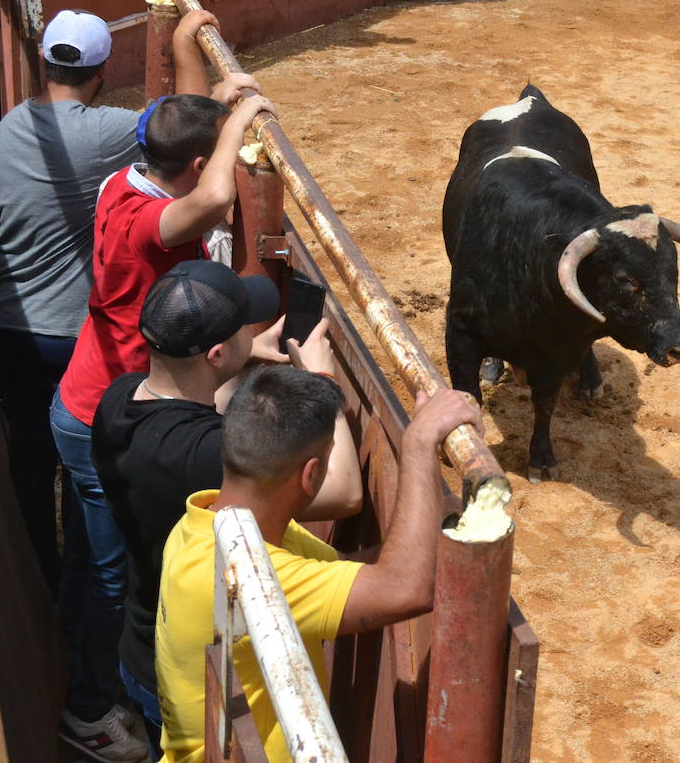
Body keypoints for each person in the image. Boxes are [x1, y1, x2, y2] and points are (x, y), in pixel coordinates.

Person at [51, 44, 269, 759]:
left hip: (81, 395)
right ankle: (88, 710)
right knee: (115, 578)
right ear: (197, 167)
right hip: (96, 413)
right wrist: (240, 117)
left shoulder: (128, 181)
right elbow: (210, 199)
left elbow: (176, 137)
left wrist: (210, 93)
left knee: (90, 560)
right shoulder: (158, 222)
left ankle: (80, 663)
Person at [0, 7, 243, 596]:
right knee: (91, 483)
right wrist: (193, 59)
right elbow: (180, 136)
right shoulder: (103, 135)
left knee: (30, 460)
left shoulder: (4, 130)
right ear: (101, 71)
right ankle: (86, 607)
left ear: (43, 60)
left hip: (10, 322)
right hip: (76, 335)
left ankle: (43, 584)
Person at [92, 261, 362, 755]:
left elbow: (188, 409)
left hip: (142, 639)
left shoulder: (117, 400)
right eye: (245, 328)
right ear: (214, 354)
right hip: (183, 675)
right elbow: (343, 492)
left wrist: (241, 357)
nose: (254, 330)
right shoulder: (198, 455)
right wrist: (321, 383)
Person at [156, 369, 483, 761]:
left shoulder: (205, 524)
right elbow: (406, 588)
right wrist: (417, 445)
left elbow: (349, 568)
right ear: (310, 475)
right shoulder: (251, 575)